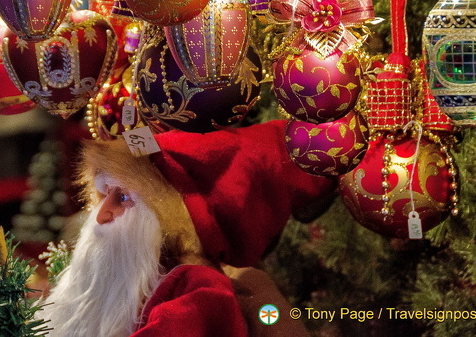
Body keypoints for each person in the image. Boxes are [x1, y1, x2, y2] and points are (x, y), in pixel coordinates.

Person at [39, 120, 335, 337]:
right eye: (104, 195)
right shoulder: (141, 278)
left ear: (170, 219)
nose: (101, 216)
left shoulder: (196, 290)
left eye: (124, 197)